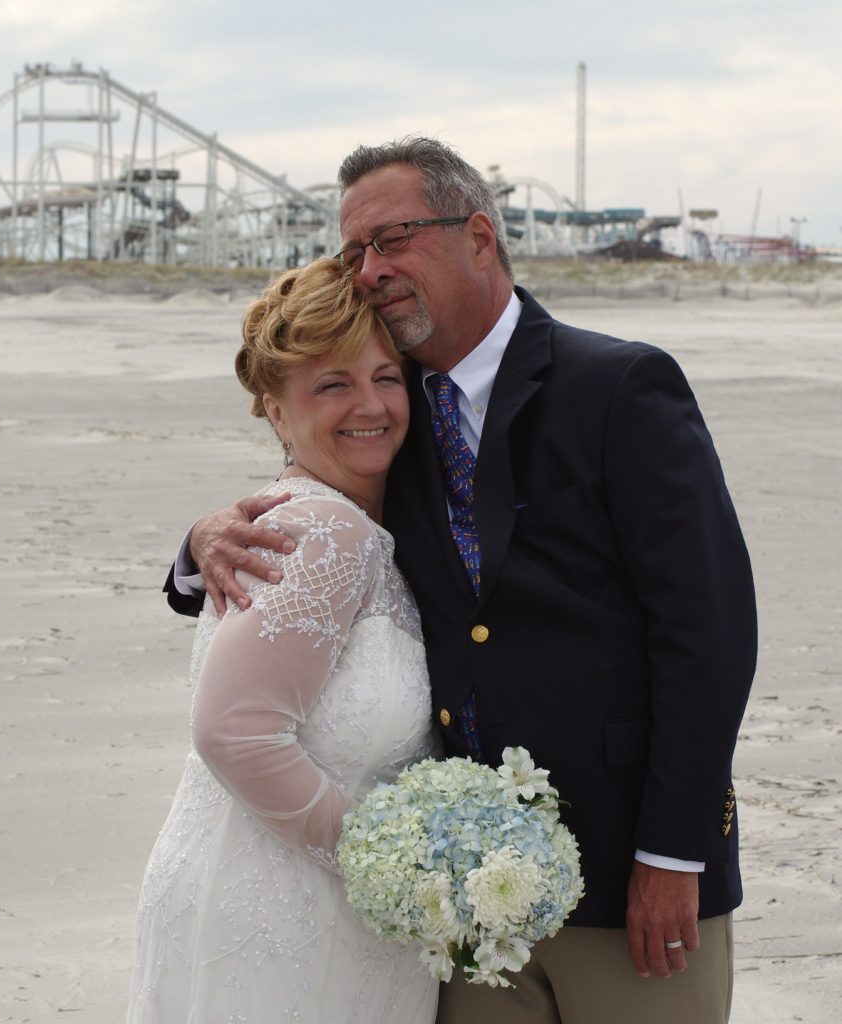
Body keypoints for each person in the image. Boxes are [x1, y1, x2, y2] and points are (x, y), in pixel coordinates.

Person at [169, 137, 757, 1024]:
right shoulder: (390, 407)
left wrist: (674, 855)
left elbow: (709, 630)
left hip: (634, 879)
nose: (369, 270)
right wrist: (199, 540)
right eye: (353, 251)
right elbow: (308, 517)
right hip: (459, 913)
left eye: (392, 238)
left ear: (479, 235)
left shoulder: (619, 386)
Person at [127, 259, 440, 1023]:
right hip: (286, 927)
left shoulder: (343, 521)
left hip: (280, 905)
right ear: (274, 408)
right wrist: (383, 866)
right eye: (332, 385)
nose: (369, 405)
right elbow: (234, 733)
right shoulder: (325, 529)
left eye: (385, 377)